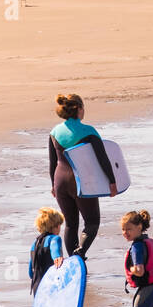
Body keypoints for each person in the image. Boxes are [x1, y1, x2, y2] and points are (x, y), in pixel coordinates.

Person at [48, 93, 117, 258]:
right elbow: (102, 159)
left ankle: (73, 260)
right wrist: (112, 181)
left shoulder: (55, 132)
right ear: (79, 109)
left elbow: (52, 162)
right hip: (82, 182)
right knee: (92, 222)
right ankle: (80, 253)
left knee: (71, 224)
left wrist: (53, 186)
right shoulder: (88, 131)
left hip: (60, 181)